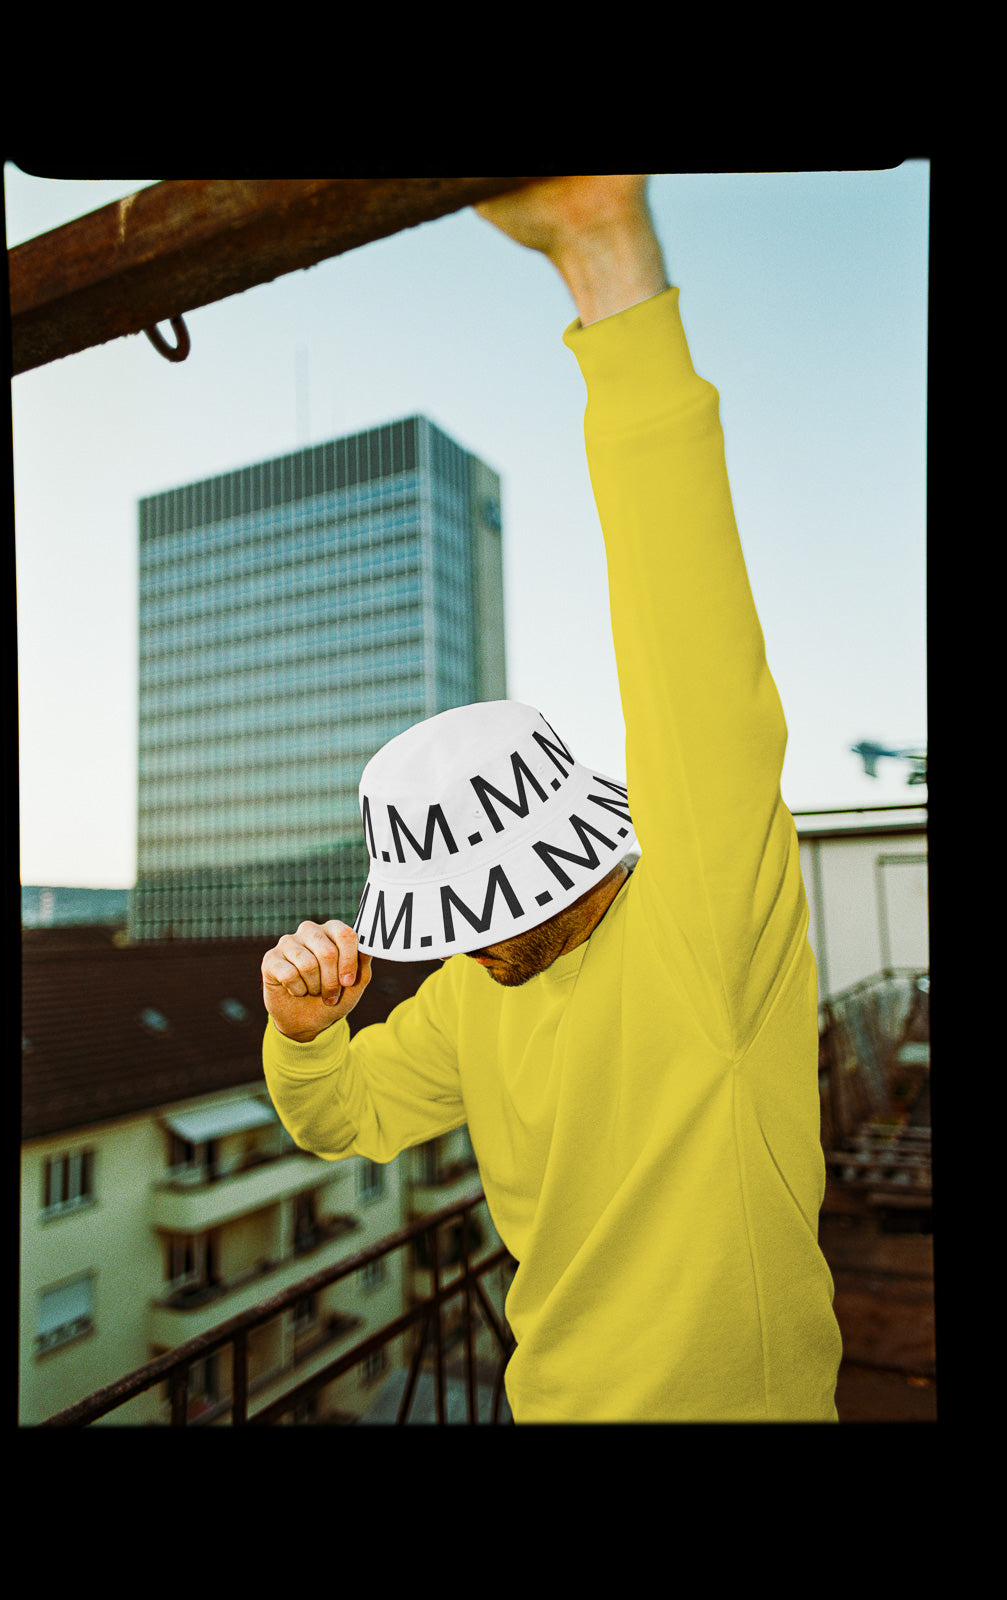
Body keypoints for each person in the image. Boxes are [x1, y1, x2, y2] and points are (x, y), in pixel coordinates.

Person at [261, 176, 843, 1422]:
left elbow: (689, 635)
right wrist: (303, 1037)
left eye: (498, 909)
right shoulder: (473, 994)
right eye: (462, 916)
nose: (482, 941)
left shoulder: (704, 918)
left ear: (576, 858)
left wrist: (603, 257)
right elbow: (343, 1119)